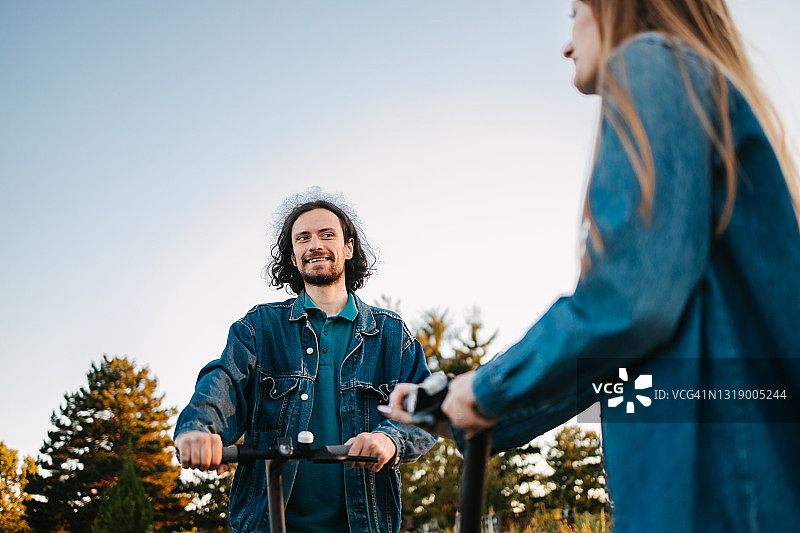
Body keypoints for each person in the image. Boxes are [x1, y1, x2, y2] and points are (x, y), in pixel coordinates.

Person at [387, 1, 800, 531]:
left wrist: (488, 389)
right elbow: (615, 356)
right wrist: (464, 406)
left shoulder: (651, 62)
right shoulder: (704, 90)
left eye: (575, 13)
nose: (567, 45)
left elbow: (628, 303)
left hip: (714, 493)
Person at [175, 190, 436, 533]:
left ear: (348, 248)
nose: (315, 245)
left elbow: (427, 412)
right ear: (293, 257)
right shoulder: (259, 327)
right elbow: (224, 382)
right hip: (268, 524)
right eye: (303, 238)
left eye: (327, 235)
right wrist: (199, 429)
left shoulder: (391, 334)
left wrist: (391, 439)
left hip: (365, 525)